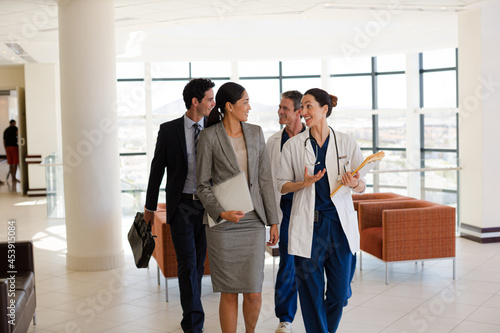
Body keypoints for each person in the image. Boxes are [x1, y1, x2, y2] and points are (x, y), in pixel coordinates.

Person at [276, 88, 366, 333]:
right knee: (311, 294)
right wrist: (302, 184)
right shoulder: (294, 145)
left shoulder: (347, 142)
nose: (303, 112)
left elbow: (362, 186)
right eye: (302, 107)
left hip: (339, 227)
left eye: (308, 107)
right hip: (309, 227)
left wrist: (353, 182)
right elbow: (281, 185)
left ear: (324, 109)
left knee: (339, 293)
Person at [196, 82, 279, 333]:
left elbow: (265, 179)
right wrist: (221, 212)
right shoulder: (209, 137)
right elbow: (201, 185)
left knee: (254, 292)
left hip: (253, 221)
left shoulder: (255, 132)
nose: (249, 107)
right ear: (229, 107)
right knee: (230, 293)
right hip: (223, 225)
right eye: (245, 102)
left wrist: (273, 220)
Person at [144, 78, 215, 333]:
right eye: (209, 98)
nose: (213, 103)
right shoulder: (169, 130)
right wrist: (149, 209)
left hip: (207, 207)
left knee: (198, 262)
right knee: (186, 263)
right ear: (195, 101)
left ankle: (192, 311)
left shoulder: (215, 126)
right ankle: (194, 324)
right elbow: (156, 172)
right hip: (182, 205)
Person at [266, 90, 305, 333]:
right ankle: (285, 318)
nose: (280, 112)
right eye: (279, 107)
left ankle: (319, 311)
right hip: (285, 210)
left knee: (312, 265)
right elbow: (269, 182)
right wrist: (273, 221)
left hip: (310, 211)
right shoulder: (273, 142)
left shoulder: (313, 139)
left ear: (299, 112)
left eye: (285, 109)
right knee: (287, 264)